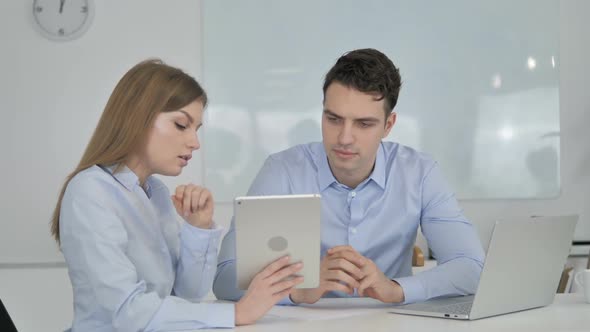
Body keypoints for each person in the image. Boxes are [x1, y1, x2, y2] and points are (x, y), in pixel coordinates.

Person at [213, 48, 485, 305]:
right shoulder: (282, 171)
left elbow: (471, 267)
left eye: (364, 124)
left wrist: (395, 289)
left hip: (390, 324)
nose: (344, 138)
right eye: (333, 119)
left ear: (388, 125)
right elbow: (226, 278)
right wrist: (299, 289)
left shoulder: (420, 173)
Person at [50, 59, 303, 331]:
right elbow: (127, 312)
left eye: (197, 130)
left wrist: (197, 227)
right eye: (181, 125)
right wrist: (237, 313)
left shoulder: (155, 192)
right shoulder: (90, 191)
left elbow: (188, 294)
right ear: (138, 118)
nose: (194, 142)